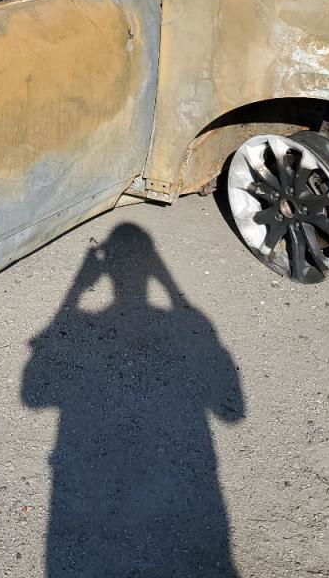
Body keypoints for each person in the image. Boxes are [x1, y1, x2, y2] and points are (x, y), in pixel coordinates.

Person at [21, 223, 245, 577]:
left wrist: (75, 291)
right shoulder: (190, 324)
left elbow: (33, 395)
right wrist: (173, 291)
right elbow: (233, 412)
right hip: (190, 498)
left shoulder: (81, 323)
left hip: (85, 498)